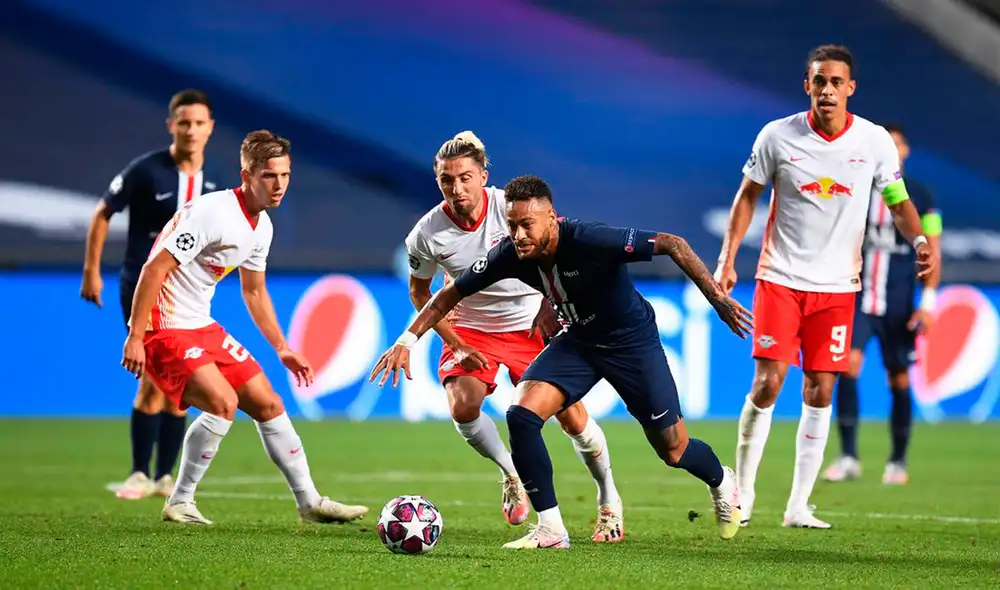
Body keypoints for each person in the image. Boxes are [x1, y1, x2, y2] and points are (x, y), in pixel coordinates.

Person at [372, 174, 753, 549]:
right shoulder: (510, 253)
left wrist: (717, 300)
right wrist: (406, 340)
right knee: (521, 415)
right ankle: (551, 529)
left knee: (674, 450)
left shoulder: (591, 239)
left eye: (527, 225)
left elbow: (674, 244)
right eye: (512, 225)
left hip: (631, 344)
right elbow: (445, 296)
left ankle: (722, 480)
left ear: (551, 219)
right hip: (579, 342)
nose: (518, 235)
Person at [713, 45, 938, 529]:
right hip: (780, 278)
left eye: (837, 82)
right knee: (769, 382)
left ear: (850, 88)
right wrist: (727, 259)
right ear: (807, 85)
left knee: (820, 390)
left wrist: (918, 237)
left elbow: (897, 201)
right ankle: (744, 494)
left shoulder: (874, 141)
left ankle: (798, 506)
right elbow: (747, 196)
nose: (828, 90)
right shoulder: (778, 135)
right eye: (820, 81)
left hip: (838, 288)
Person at [120, 130, 368, 525]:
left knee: (269, 404)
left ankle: (309, 502)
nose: (280, 185)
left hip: (200, 324)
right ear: (247, 175)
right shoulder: (211, 213)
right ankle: (180, 500)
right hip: (163, 327)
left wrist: (282, 347)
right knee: (223, 404)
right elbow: (153, 269)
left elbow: (254, 292)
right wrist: (135, 335)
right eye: (270, 176)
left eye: (285, 175)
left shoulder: (261, 227)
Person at [405, 131, 624, 542]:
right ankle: (511, 474)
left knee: (573, 420)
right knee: (463, 405)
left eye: (466, 177)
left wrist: (548, 305)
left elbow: (556, 250)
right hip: (472, 328)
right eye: (447, 180)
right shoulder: (426, 233)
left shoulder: (512, 208)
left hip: (528, 322)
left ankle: (609, 500)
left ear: (483, 176)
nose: (457, 188)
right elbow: (420, 292)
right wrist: (454, 343)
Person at [82, 89, 223, 500]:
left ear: (210, 128)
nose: (191, 130)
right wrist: (92, 270)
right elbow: (102, 212)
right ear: (171, 125)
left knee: (180, 386)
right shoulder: (146, 170)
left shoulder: (214, 184)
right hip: (142, 288)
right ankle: (140, 473)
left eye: (199, 123)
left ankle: (165, 477)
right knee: (152, 380)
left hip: (189, 296)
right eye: (184, 122)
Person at [823, 123, 943, 485]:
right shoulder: (856, 187)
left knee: (899, 376)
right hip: (858, 298)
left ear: (904, 151)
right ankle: (848, 457)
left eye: (898, 144)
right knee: (846, 367)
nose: (892, 148)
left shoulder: (922, 196)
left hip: (899, 301)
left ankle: (898, 461)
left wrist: (928, 302)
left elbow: (932, 251)